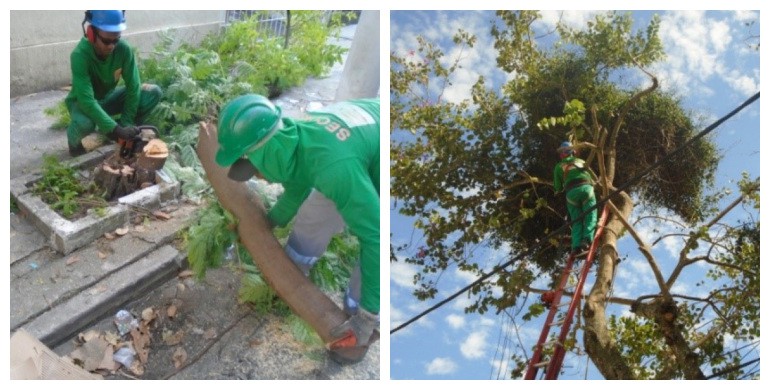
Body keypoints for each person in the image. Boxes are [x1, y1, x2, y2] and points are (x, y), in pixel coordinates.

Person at [215, 94, 380, 348]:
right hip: (349, 148)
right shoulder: (291, 141)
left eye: (256, 170)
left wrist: (368, 316)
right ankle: (292, 271)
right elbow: (296, 189)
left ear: (268, 153)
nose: (260, 179)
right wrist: (265, 225)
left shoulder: (334, 168)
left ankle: (362, 314)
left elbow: (375, 237)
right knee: (314, 214)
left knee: (372, 235)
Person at [66, 10, 162, 157]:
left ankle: (121, 129)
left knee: (153, 93)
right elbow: (87, 101)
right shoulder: (80, 56)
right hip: (82, 103)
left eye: (115, 40)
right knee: (86, 124)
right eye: (106, 41)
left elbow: (133, 87)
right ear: (91, 34)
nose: (111, 46)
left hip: (106, 98)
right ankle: (74, 141)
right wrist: (114, 129)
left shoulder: (124, 50)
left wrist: (125, 124)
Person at [553, 141, 597, 257]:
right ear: (573, 152)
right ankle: (586, 240)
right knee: (590, 214)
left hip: (571, 195)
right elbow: (592, 177)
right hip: (586, 189)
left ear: (563, 153)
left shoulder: (558, 167)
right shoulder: (581, 162)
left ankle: (575, 247)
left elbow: (558, 188)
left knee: (576, 221)